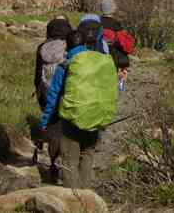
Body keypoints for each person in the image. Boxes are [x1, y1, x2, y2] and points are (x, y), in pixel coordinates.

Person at [39, 21, 118, 189]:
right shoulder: (99, 61)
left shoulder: (65, 66)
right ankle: (86, 194)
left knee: (69, 160)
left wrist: (45, 122)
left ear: (67, 46)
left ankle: (74, 199)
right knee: (87, 155)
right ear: (84, 44)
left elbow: (53, 96)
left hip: (72, 120)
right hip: (96, 116)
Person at [33, 16, 72, 180]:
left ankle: (53, 165)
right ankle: (65, 166)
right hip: (65, 94)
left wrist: (39, 93)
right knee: (67, 131)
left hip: (46, 93)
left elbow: (37, 75)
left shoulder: (42, 47)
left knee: (53, 129)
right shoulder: (70, 47)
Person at [99, 0, 136, 91]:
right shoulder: (116, 24)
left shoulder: (97, 22)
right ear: (112, 9)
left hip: (99, 54)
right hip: (113, 56)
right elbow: (122, 41)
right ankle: (117, 86)